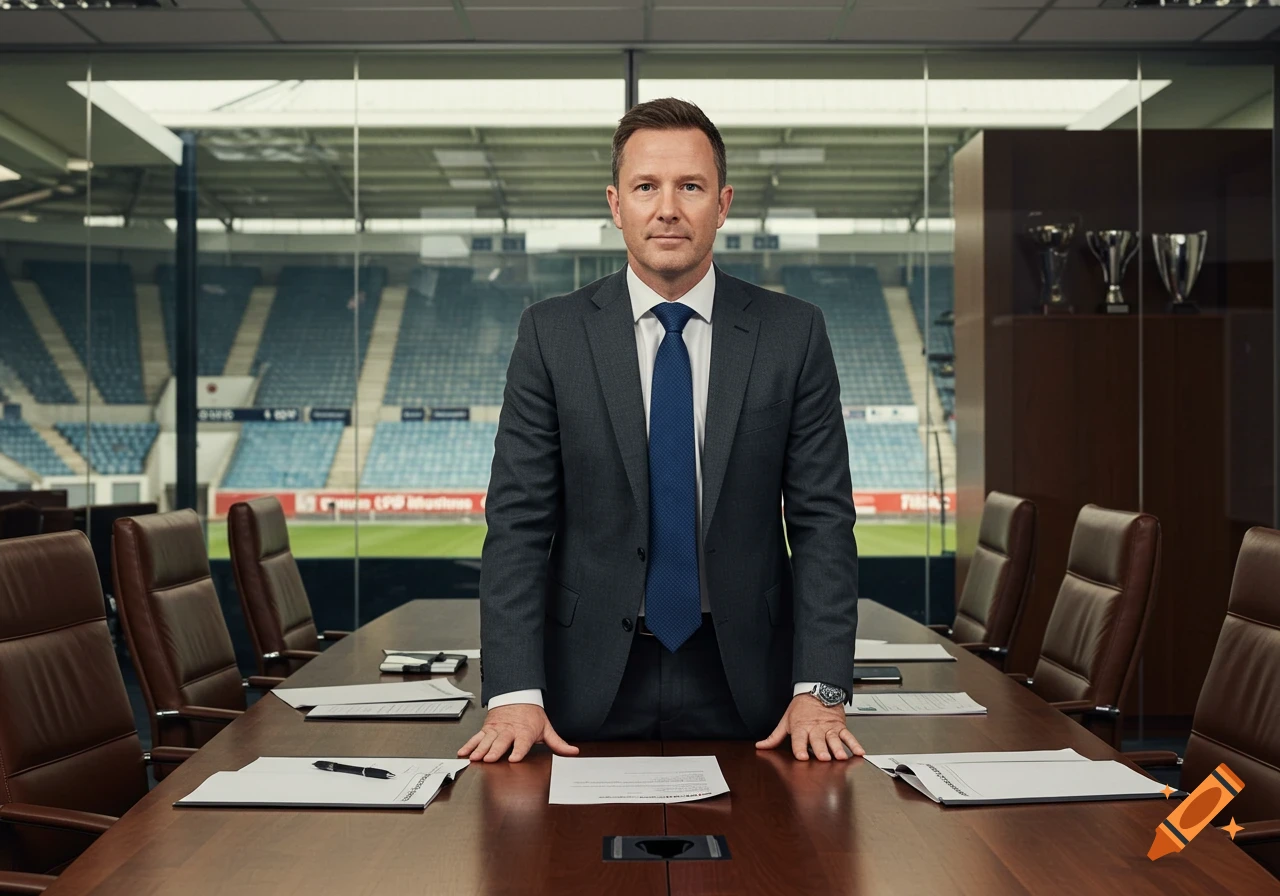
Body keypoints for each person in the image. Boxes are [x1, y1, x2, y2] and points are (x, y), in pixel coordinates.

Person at [459, 97, 861, 765]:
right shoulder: (550, 335)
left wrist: (820, 689)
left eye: (690, 187)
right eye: (647, 187)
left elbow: (822, 522)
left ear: (723, 203)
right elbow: (519, 524)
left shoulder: (794, 334)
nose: (667, 208)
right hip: (579, 690)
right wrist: (512, 692)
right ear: (617, 205)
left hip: (754, 692)